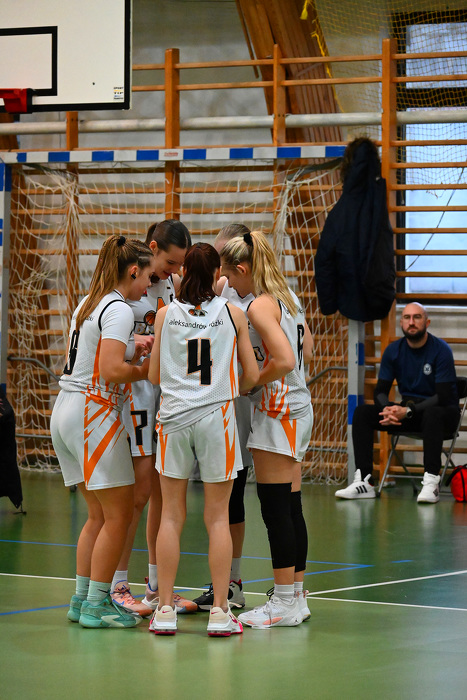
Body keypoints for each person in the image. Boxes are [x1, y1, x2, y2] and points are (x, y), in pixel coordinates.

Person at [147, 242, 259, 636]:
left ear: (183, 273)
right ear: (217, 275)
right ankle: (220, 612)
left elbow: (154, 377)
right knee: (218, 518)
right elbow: (252, 375)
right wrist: (227, 387)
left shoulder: (165, 314)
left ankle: (164, 609)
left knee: (170, 516)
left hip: (174, 419)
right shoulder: (233, 313)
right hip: (217, 418)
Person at [50, 234, 156, 628]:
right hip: (93, 413)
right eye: (147, 277)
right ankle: (97, 604)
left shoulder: (89, 302)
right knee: (118, 516)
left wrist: (132, 346)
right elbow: (111, 369)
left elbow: (93, 353)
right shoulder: (120, 309)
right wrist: (146, 369)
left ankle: (81, 600)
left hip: (66, 409)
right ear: (133, 271)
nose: (149, 285)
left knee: (96, 515)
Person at [220, 230, 314, 629]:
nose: (228, 284)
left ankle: (285, 603)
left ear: (243, 269)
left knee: (276, 510)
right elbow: (308, 350)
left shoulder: (259, 304)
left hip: (279, 409)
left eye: (229, 275)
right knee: (290, 507)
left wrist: (251, 381)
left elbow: (288, 359)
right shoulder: (286, 297)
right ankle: (296, 596)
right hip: (297, 406)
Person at [110, 220, 197, 616]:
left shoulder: (172, 285)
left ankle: (158, 588)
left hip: (165, 397)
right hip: (133, 396)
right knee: (137, 494)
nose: (175, 271)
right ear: (153, 248)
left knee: (164, 493)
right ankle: (116, 583)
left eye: (181, 265)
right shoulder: (126, 288)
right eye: (171, 262)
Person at [335, 302, 459, 504]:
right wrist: (388, 409)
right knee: (362, 413)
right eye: (407, 317)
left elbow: (443, 396)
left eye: (417, 317)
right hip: (409, 411)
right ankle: (365, 481)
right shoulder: (393, 351)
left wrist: (408, 411)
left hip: (442, 413)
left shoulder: (441, 350)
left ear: (427, 322)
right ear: (401, 323)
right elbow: (380, 391)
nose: (412, 322)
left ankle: (431, 482)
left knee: (433, 414)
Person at [193, 223, 254, 612]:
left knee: (237, 496)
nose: (220, 267)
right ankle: (227, 584)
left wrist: (250, 381)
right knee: (221, 499)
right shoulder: (220, 293)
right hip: (216, 405)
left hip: (246, 404)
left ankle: (235, 584)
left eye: (225, 259)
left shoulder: (262, 298)